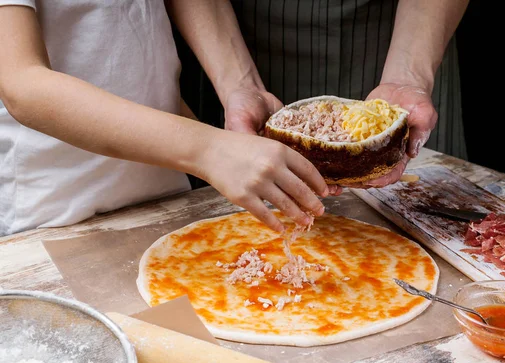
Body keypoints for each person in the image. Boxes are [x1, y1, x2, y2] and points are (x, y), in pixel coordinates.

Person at [0, 1, 330, 236]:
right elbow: (22, 83)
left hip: (166, 189)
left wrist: (243, 88)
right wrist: (211, 149)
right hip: (55, 211)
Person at [182, 0, 469, 189]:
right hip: (237, 37)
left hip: (412, 34)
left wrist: (410, 77)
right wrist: (240, 85)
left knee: (433, 212)